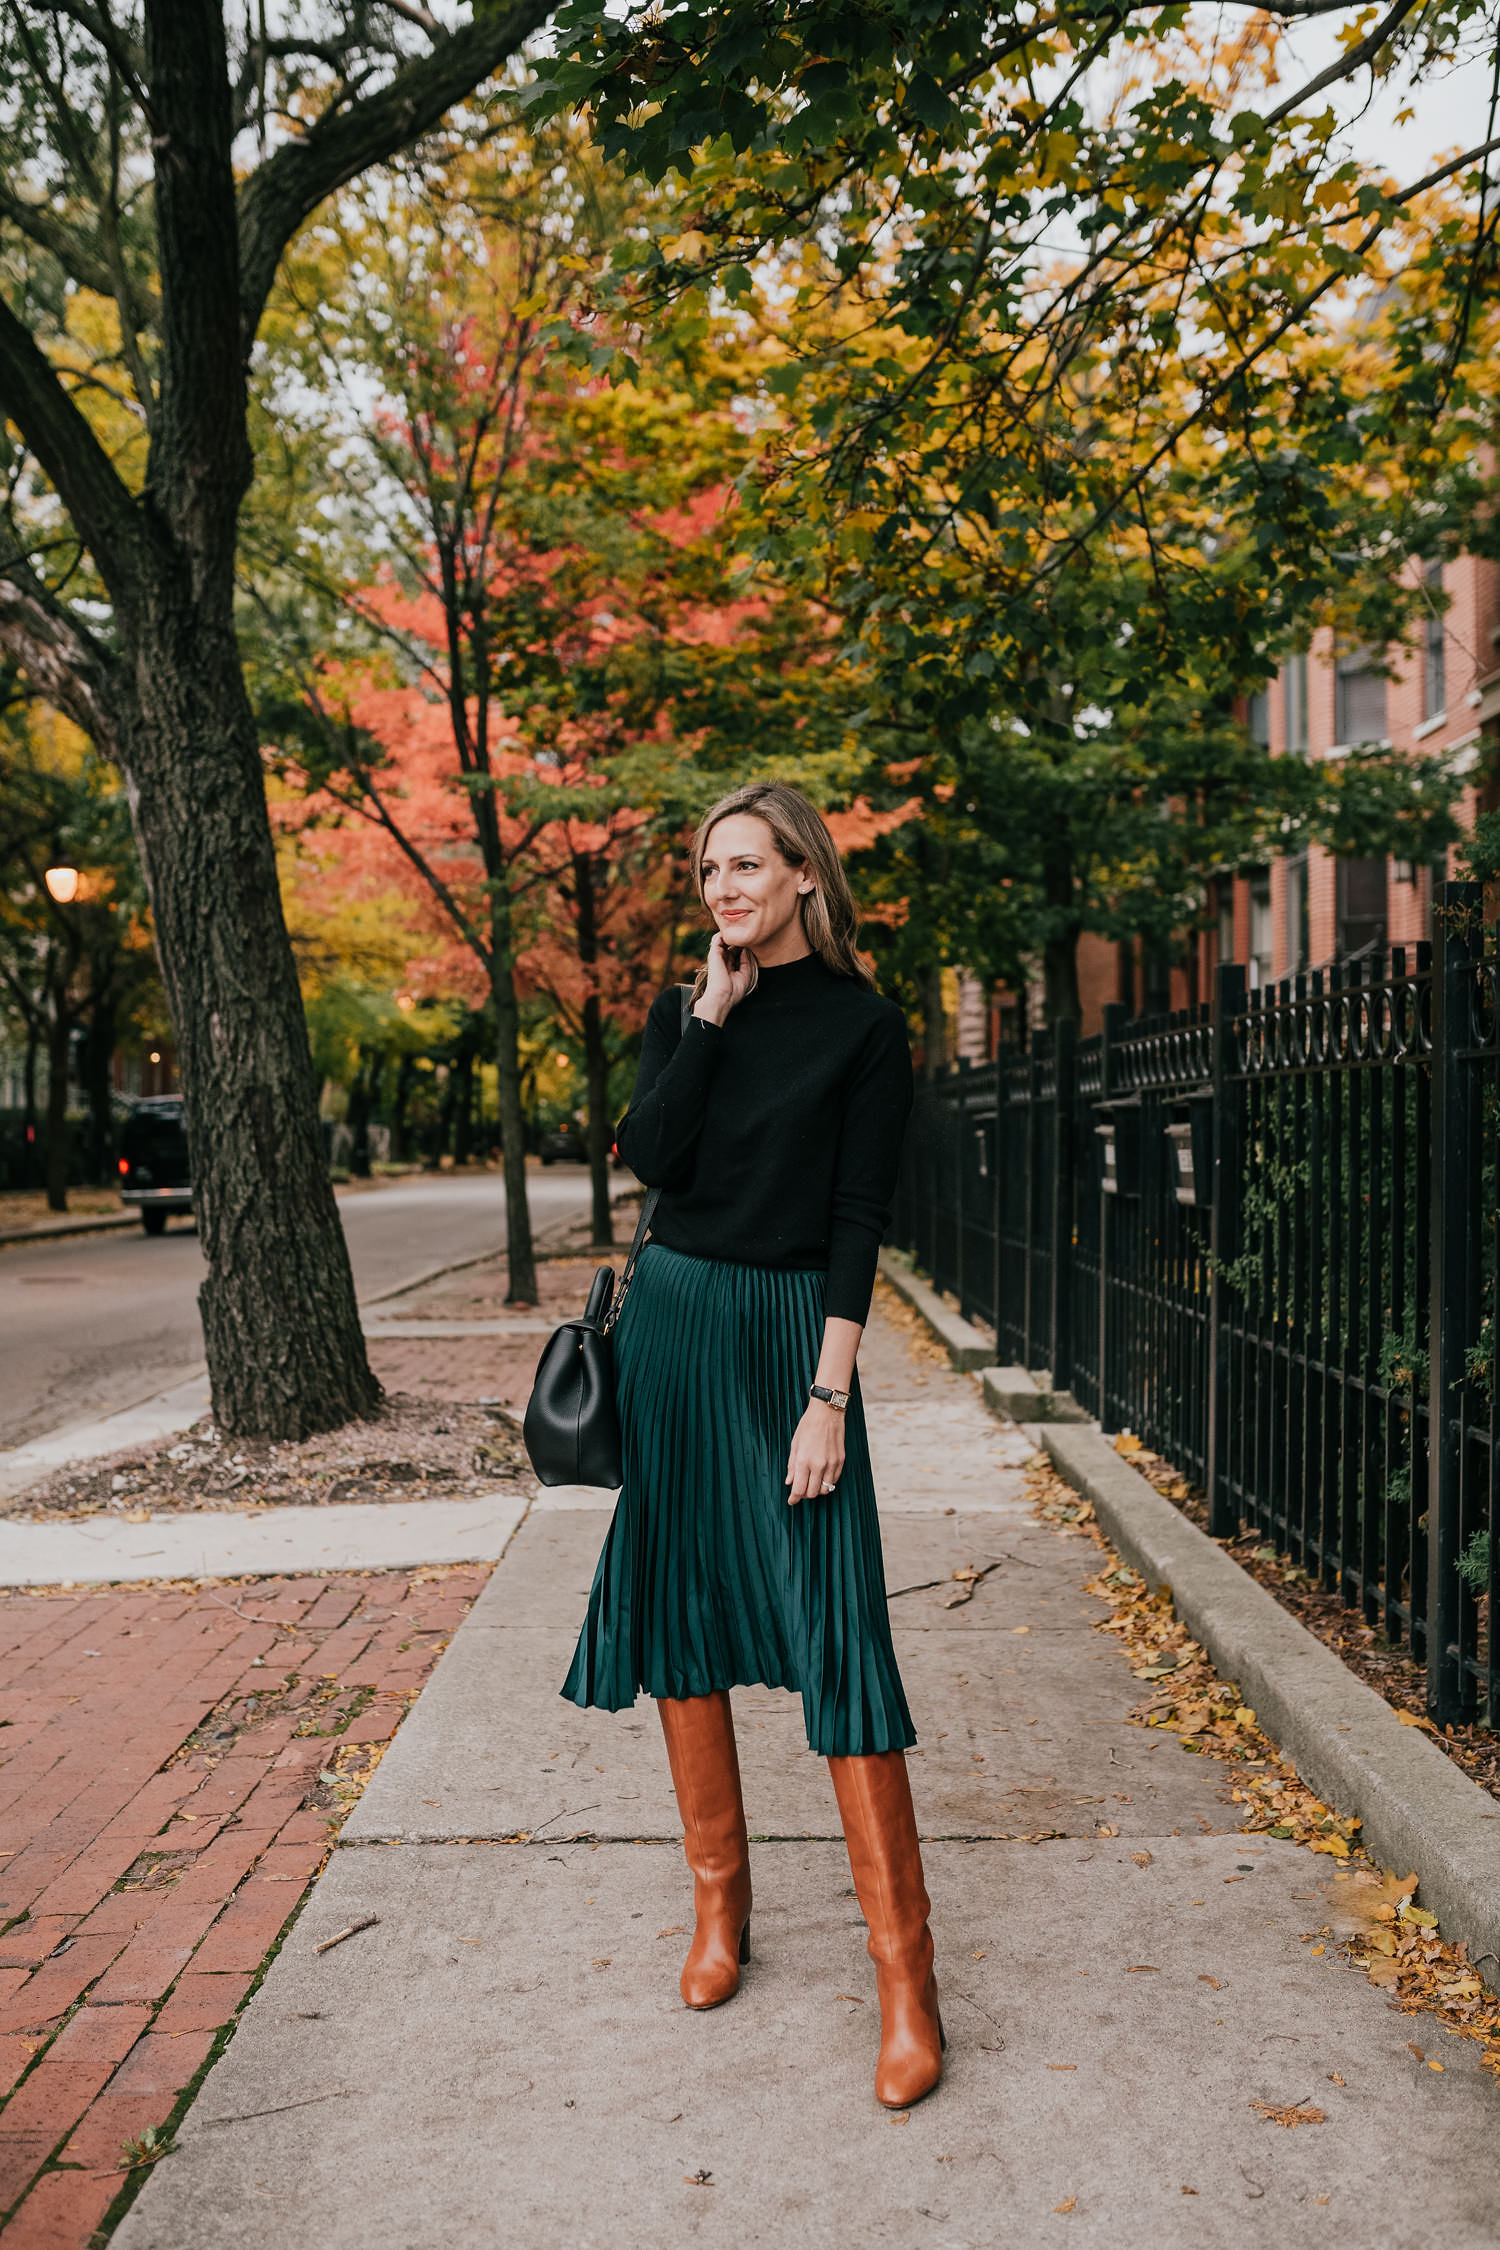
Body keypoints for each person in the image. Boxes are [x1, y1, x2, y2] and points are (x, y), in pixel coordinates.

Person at [562, 780, 943, 2109]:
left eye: (747, 865)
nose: (723, 886)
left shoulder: (866, 1028)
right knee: (683, 1614)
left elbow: (855, 1220)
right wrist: (711, 1016)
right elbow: (653, 1158)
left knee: (835, 1627)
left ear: (803, 878)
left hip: (790, 1340)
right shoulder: (688, 1012)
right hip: (673, 1326)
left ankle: (906, 1978)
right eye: (710, 867)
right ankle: (718, 1907)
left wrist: (828, 1397)